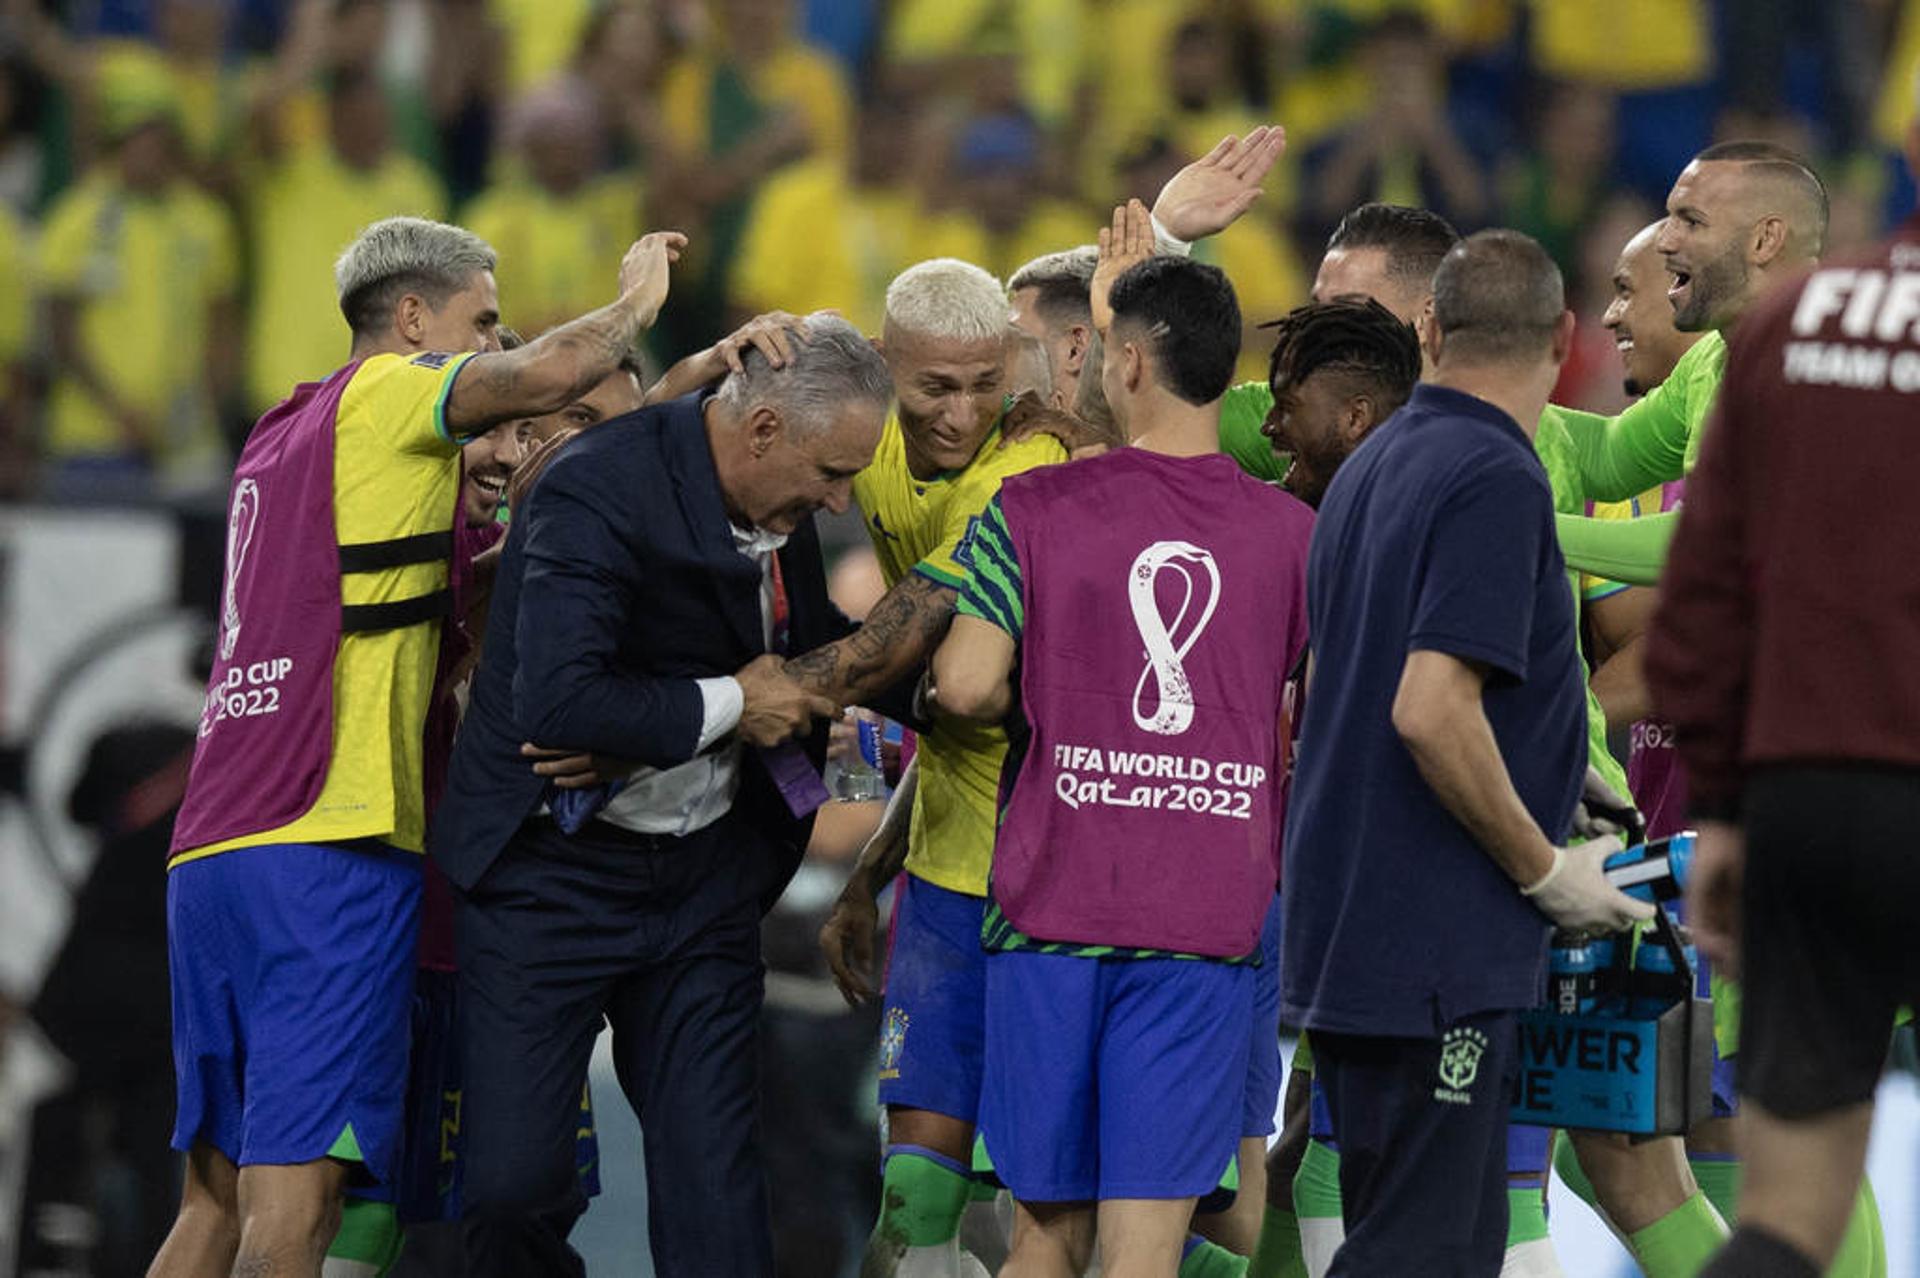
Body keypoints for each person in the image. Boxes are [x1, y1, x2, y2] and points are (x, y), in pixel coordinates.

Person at [151, 216, 687, 1278]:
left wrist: (679, 399)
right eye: (479, 324)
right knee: (294, 1219)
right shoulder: (392, 392)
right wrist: (636, 303)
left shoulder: (283, 433)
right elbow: (550, 373)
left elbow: (501, 548)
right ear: (410, 319)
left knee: (209, 1209)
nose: (493, 352)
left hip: (216, 848)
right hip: (331, 846)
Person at [430, 313, 886, 1277]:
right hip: (545, 879)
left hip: (703, 889)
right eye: (832, 472)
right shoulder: (595, 485)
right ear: (761, 430)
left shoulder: (781, 505)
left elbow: (801, 652)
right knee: (512, 1188)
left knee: (720, 1203)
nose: (841, 499)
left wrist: (931, 668)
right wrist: (735, 701)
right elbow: (563, 700)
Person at [932, 220, 1315, 1278]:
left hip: (1052, 909)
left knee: (1045, 1243)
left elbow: (965, 683)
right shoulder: (1295, 537)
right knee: (1147, 1251)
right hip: (1201, 922)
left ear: (1130, 361)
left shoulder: (1033, 506)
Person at [1280, 230, 1651, 1276]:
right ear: (1565, 337)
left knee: (1416, 1239)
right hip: (1437, 948)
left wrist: (1551, 767)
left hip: (1350, 928)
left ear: (1431, 330)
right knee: (1425, 1257)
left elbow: (1352, 686)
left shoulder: (1371, 464)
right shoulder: (1497, 474)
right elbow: (1428, 709)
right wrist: (1547, 871)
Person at [1646, 107, 1920, 1278]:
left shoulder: (1788, 329)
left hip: (1812, 798)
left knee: (1787, 1219)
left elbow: (1702, 601)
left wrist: (1725, 806)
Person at [1545, 141, 1828, 584]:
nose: (1665, 240)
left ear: (1764, 240)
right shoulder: (1713, 358)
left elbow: (1715, 541)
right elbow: (1605, 456)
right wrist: (1465, 399)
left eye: (1691, 221)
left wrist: (1526, 530)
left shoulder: (1825, 361)